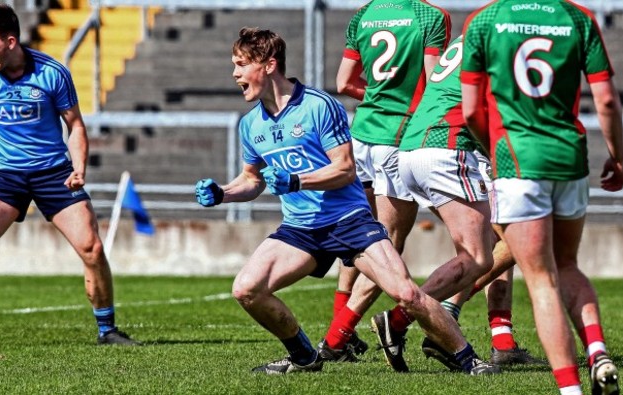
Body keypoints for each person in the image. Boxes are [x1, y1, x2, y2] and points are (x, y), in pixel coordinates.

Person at [195, 27, 499, 375]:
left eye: (241, 64)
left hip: (349, 222)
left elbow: (345, 170)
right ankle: (304, 357)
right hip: (301, 229)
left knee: (407, 294)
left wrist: (297, 180)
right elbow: (251, 179)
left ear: (268, 65)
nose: (234, 73)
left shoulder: (318, 106)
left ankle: (467, 358)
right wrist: (223, 192)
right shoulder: (251, 125)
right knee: (246, 289)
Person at [461, 1, 623, 394]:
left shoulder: (484, 19)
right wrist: (617, 157)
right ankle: (597, 350)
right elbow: (605, 100)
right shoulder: (578, 17)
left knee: (541, 281)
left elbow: (470, 110)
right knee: (568, 264)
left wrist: (494, 148)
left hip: (517, 161)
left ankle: (570, 390)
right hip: (569, 158)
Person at [0, 5, 138, 345]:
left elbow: (74, 126)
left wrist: (79, 168)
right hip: (6, 174)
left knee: (91, 246)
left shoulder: (52, 72)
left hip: (53, 173)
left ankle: (107, 330)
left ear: (9, 41)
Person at [325, 0, 451, 364]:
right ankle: (339, 337)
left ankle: (339, 329)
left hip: (360, 136)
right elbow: (435, 86)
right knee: (389, 242)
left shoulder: (364, 14)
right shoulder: (431, 15)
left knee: (359, 233)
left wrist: (380, 98)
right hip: (398, 139)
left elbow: (344, 82)